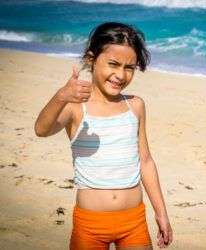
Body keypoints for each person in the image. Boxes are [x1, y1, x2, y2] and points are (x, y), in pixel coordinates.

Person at [34, 22, 173, 250]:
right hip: (90, 224)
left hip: (134, 221)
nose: (121, 75)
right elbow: (41, 129)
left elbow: (146, 161)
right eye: (113, 64)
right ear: (91, 59)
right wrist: (61, 96)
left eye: (130, 67)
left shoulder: (135, 106)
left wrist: (161, 213)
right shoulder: (76, 106)